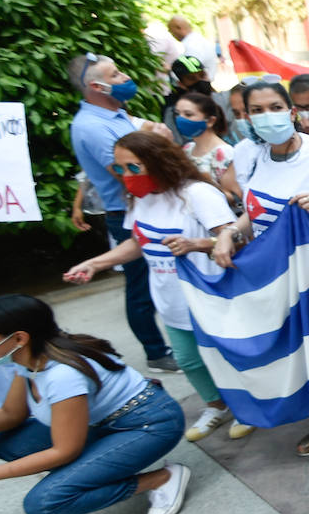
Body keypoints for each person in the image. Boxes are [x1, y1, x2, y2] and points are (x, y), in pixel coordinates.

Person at [210, 80, 309, 455]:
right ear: (247, 118)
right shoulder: (252, 156)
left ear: (291, 111)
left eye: (275, 107)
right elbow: (256, 211)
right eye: (257, 111)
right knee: (303, 346)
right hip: (277, 273)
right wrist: (229, 232)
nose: (267, 116)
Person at [62, 130, 249, 441]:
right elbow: (138, 242)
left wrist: (197, 244)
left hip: (211, 295)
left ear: (159, 161)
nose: (126, 175)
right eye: (120, 168)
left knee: (227, 357)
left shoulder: (197, 194)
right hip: (170, 300)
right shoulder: (140, 198)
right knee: (189, 360)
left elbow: (238, 239)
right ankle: (216, 406)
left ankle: (247, 407)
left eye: (133, 167)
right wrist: (95, 263)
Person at [0, 295, 188, 514]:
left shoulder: (62, 376)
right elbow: (11, 414)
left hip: (149, 425)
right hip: (104, 424)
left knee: (44, 501)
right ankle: (94, 472)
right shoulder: (28, 360)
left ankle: (161, 479)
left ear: (19, 338)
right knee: (4, 441)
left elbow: (64, 451)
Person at [66, 51, 178, 374]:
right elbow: (127, 175)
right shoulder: (92, 126)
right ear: (97, 87)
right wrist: (161, 144)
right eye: (115, 75)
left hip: (145, 206)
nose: (125, 78)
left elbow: (147, 135)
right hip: (127, 213)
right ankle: (156, 353)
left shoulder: (114, 115)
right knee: (141, 287)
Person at [173, 91, 241, 206]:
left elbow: (235, 198)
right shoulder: (187, 148)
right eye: (177, 114)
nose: (181, 119)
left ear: (210, 121)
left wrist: (206, 184)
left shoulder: (224, 153)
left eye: (188, 114)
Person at [167, 15, 217, 81]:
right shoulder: (198, 39)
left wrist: (169, 69)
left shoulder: (191, 44)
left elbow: (189, 70)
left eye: (171, 31)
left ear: (179, 28)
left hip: (198, 84)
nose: (172, 34)